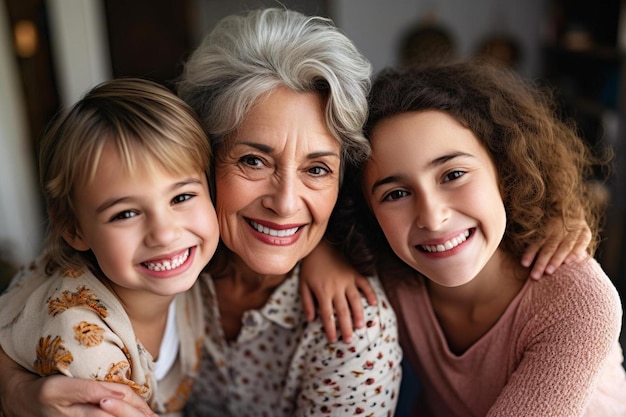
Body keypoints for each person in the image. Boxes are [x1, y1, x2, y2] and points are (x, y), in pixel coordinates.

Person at [0, 8, 402, 417]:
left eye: (317, 169)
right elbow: (25, 304)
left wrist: (320, 247)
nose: (285, 204)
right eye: (253, 161)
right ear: (203, 157)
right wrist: (15, 390)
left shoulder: (355, 331)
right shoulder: (174, 256)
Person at [354, 60, 626, 416]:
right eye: (395, 194)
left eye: (453, 174)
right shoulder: (391, 277)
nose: (433, 218)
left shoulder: (579, 301)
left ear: (506, 170)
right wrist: (320, 261)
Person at [0, 78, 220, 415]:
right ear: (74, 230)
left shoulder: (190, 266)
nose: (164, 233)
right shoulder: (88, 350)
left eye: (182, 196)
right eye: (126, 213)